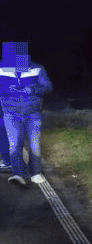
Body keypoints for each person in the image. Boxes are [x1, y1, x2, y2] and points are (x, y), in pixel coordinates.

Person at [1, 41, 54, 188]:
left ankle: (36, 172)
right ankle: (18, 174)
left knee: (34, 144)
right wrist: (6, 89)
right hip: (11, 113)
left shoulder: (37, 68)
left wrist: (32, 90)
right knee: (14, 145)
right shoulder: (2, 69)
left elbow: (48, 87)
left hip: (33, 113)